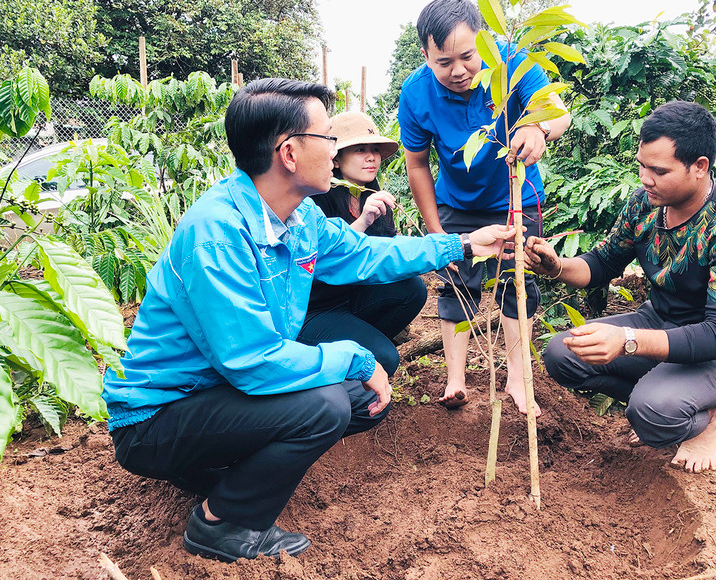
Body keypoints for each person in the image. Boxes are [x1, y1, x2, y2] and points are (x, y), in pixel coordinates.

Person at [102, 78, 517, 563]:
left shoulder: (301, 219)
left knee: (356, 400)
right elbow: (251, 360)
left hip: (216, 395)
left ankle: (218, 467)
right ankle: (221, 522)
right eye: (328, 138)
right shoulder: (216, 233)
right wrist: (355, 357)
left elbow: (366, 255)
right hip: (159, 418)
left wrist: (462, 244)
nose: (336, 148)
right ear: (290, 153)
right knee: (324, 404)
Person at [524, 101, 716, 472]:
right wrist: (557, 267)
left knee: (653, 414)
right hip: (659, 324)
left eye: (658, 170)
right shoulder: (645, 204)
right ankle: (669, 396)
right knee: (563, 353)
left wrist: (627, 340)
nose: (645, 178)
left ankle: (702, 416)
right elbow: (601, 263)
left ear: (699, 167)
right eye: (642, 165)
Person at [398, 0, 570, 415]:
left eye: (468, 57)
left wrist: (537, 126)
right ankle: (455, 379)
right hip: (456, 203)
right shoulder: (416, 93)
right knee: (456, 285)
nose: (458, 71)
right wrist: (437, 231)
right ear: (425, 55)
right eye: (443, 62)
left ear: (484, 43)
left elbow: (559, 113)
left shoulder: (514, 63)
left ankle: (517, 379)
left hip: (516, 199)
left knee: (519, 283)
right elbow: (417, 164)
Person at [308, 111, 427, 377]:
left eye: (374, 149)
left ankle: (358, 342)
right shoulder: (317, 200)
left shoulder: (377, 198)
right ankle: (340, 364)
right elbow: (327, 260)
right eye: (360, 149)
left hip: (354, 298)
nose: (371, 157)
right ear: (336, 159)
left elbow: (384, 255)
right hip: (318, 306)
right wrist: (362, 221)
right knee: (386, 357)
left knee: (413, 290)